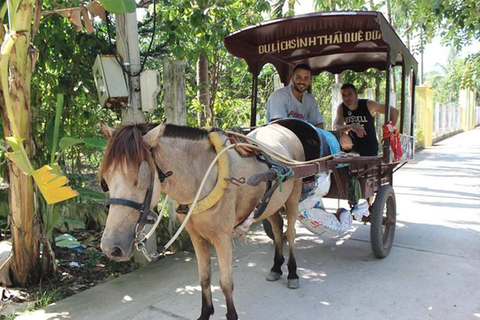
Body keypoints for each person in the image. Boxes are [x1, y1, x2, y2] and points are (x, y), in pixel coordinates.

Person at [334, 83, 398, 156]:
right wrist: (351, 126)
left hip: (370, 146)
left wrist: (388, 133)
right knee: (341, 137)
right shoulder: (341, 108)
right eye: (344, 95)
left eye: (349, 94)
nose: (347, 98)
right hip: (352, 146)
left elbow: (394, 112)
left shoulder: (368, 104)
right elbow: (336, 128)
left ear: (356, 95)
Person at [267, 64, 324, 129]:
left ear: (310, 81)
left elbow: (318, 124)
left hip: (300, 137)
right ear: (292, 79)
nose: (302, 81)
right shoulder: (279, 96)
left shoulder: (310, 100)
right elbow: (279, 126)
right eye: (298, 77)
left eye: (306, 78)